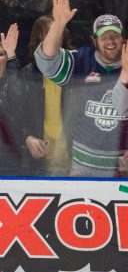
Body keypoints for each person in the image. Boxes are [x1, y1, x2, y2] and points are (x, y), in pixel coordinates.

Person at [35, 0, 128, 177]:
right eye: (104, 37)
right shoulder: (83, 60)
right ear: (94, 40)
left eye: (115, 36)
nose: (110, 41)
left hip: (123, 168)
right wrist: (59, 24)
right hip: (82, 166)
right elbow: (47, 63)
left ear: (124, 38)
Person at [12, 16, 74, 176]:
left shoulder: (75, 70)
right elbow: (15, 114)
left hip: (74, 163)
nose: (54, 36)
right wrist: (27, 137)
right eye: (48, 32)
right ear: (38, 38)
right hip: (39, 163)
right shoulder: (27, 74)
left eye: (57, 31)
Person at [0, 22, 24, 175]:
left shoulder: (11, 83)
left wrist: (11, 55)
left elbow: (20, 96)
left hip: (10, 161)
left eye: (1, 54)